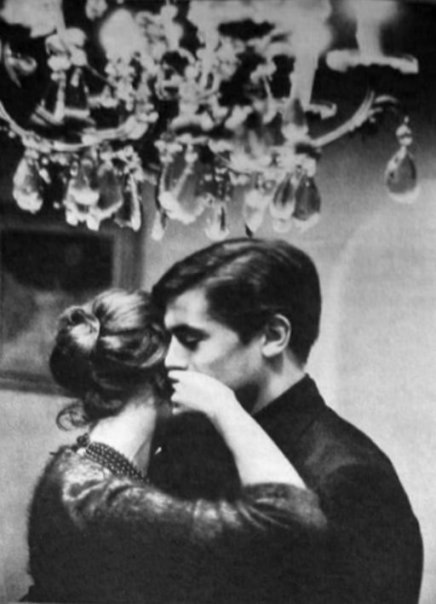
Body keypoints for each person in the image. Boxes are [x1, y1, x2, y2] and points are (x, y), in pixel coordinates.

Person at [151, 237, 424, 604]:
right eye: (170, 338)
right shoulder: (190, 445)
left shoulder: (353, 476)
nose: (171, 360)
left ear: (273, 336)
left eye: (190, 338)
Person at [26, 288, 321, 604]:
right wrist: (225, 407)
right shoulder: (101, 503)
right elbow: (296, 523)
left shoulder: (80, 468)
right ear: (166, 374)